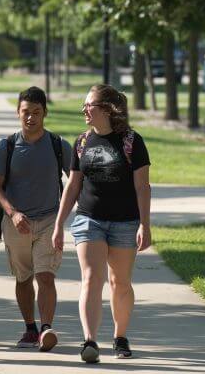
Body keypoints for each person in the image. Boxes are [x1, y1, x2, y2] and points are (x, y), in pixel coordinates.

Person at [52, 84, 152, 364]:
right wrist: (60, 224)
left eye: (90, 105)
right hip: (88, 219)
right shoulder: (82, 142)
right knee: (91, 278)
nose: (84, 110)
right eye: (84, 105)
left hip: (125, 221)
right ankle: (90, 341)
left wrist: (145, 224)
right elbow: (72, 186)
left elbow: (143, 187)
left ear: (107, 109)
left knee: (119, 282)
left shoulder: (132, 142)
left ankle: (120, 336)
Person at [0, 87, 71, 351]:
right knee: (23, 278)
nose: (31, 118)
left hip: (49, 220)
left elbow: (77, 180)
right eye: (26, 112)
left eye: (37, 112)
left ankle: (47, 328)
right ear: (18, 113)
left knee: (45, 276)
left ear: (45, 113)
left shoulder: (59, 145)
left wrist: (69, 216)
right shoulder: (7, 146)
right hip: (17, 224)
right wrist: (12, 214)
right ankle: (29, 328)